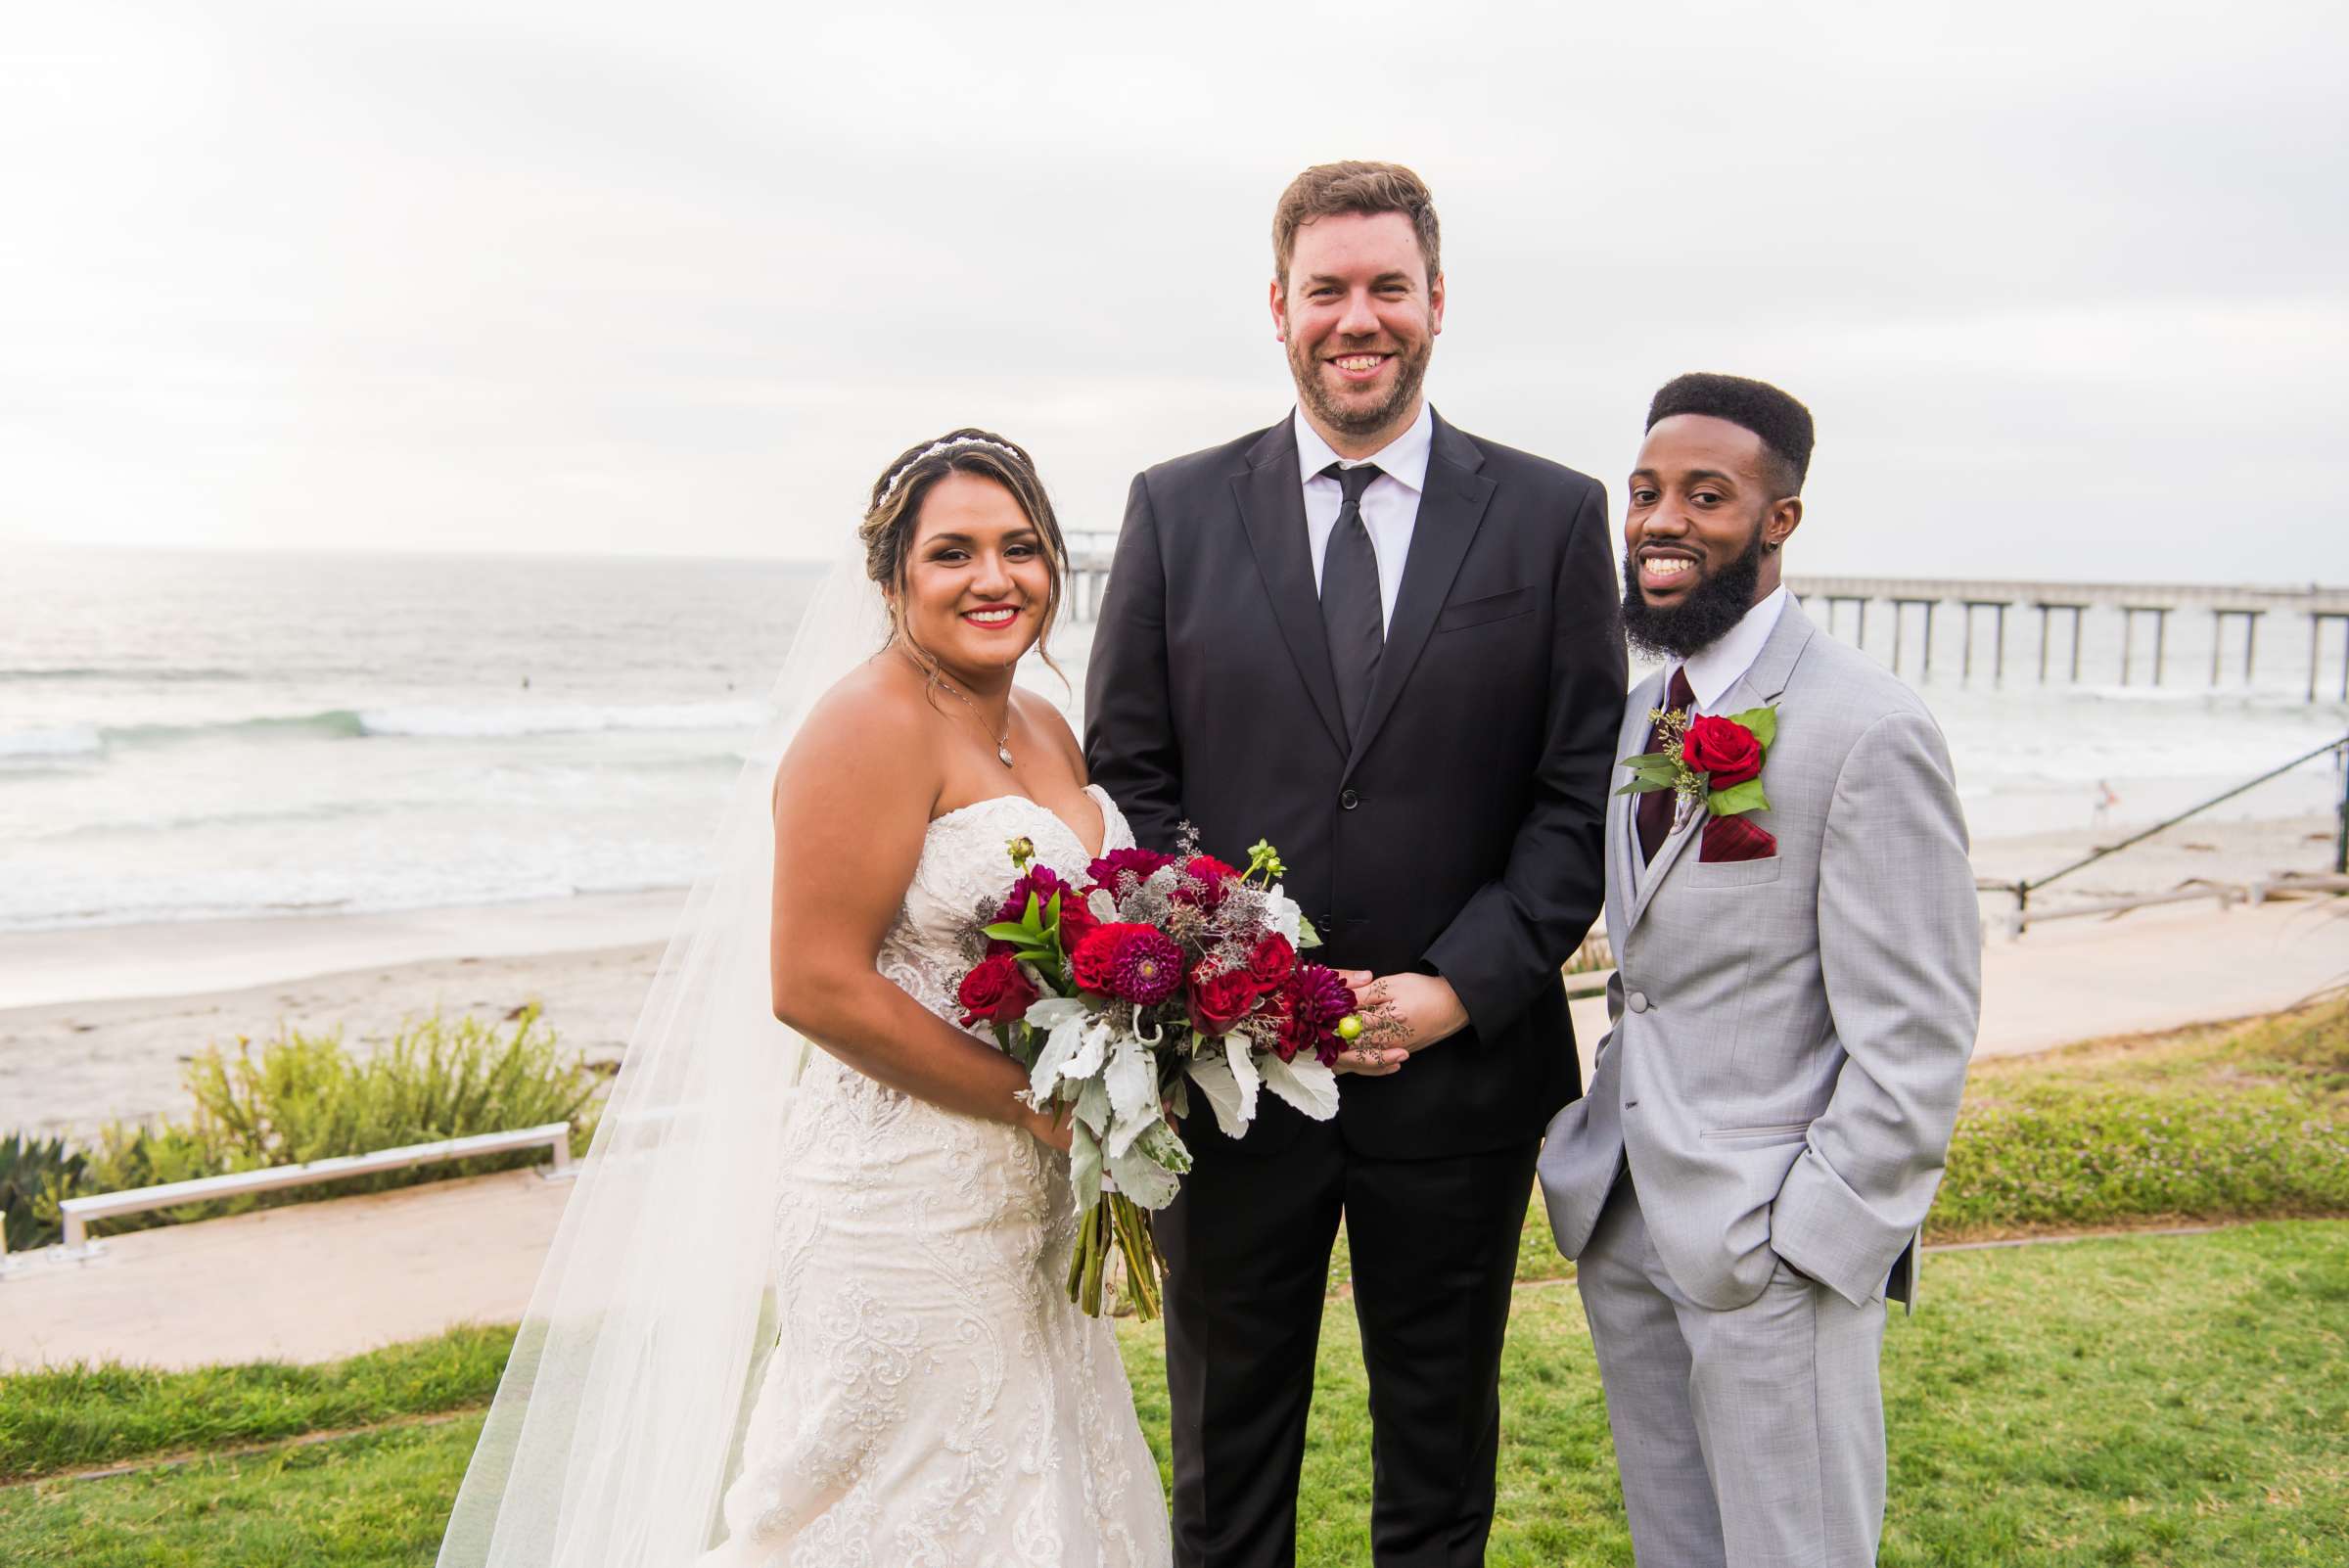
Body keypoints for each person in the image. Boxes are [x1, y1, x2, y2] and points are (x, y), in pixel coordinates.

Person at [439, 431, 1172, 1567]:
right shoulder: (866, 726)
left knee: (1043, 1475)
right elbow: (813, 983)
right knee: (899, 1503)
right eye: (953, 553)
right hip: (906, 1199)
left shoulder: (1041, 724)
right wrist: (1033, 1099)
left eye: (1022, 549)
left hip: (1033, 1202)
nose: (995, 579)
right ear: (890, 580)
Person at [1085, 161, 1625, 1567]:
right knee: (1228, 1460)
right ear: (1279, 307)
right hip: (1229, 1075)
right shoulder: (1174, 508)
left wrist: (1456, 986)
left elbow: (1576, 801)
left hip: (1459, 1079)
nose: (1358, 316)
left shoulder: (1553, 517)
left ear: (1437, 301)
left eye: (1388, 285)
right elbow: (1129, 783)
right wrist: (1231, 986)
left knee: (1442, 1463)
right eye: (1327, 288)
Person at [1536, 374, 1981, 1568]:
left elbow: (1919, 1032)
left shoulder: (1865, 729)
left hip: (1773, 1242)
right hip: (1629, 1216)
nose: (1661, 521)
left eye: (1705, 495)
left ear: (1779, 519)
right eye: (1644, 493)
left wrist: (1817, 1238)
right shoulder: (1642, 714)